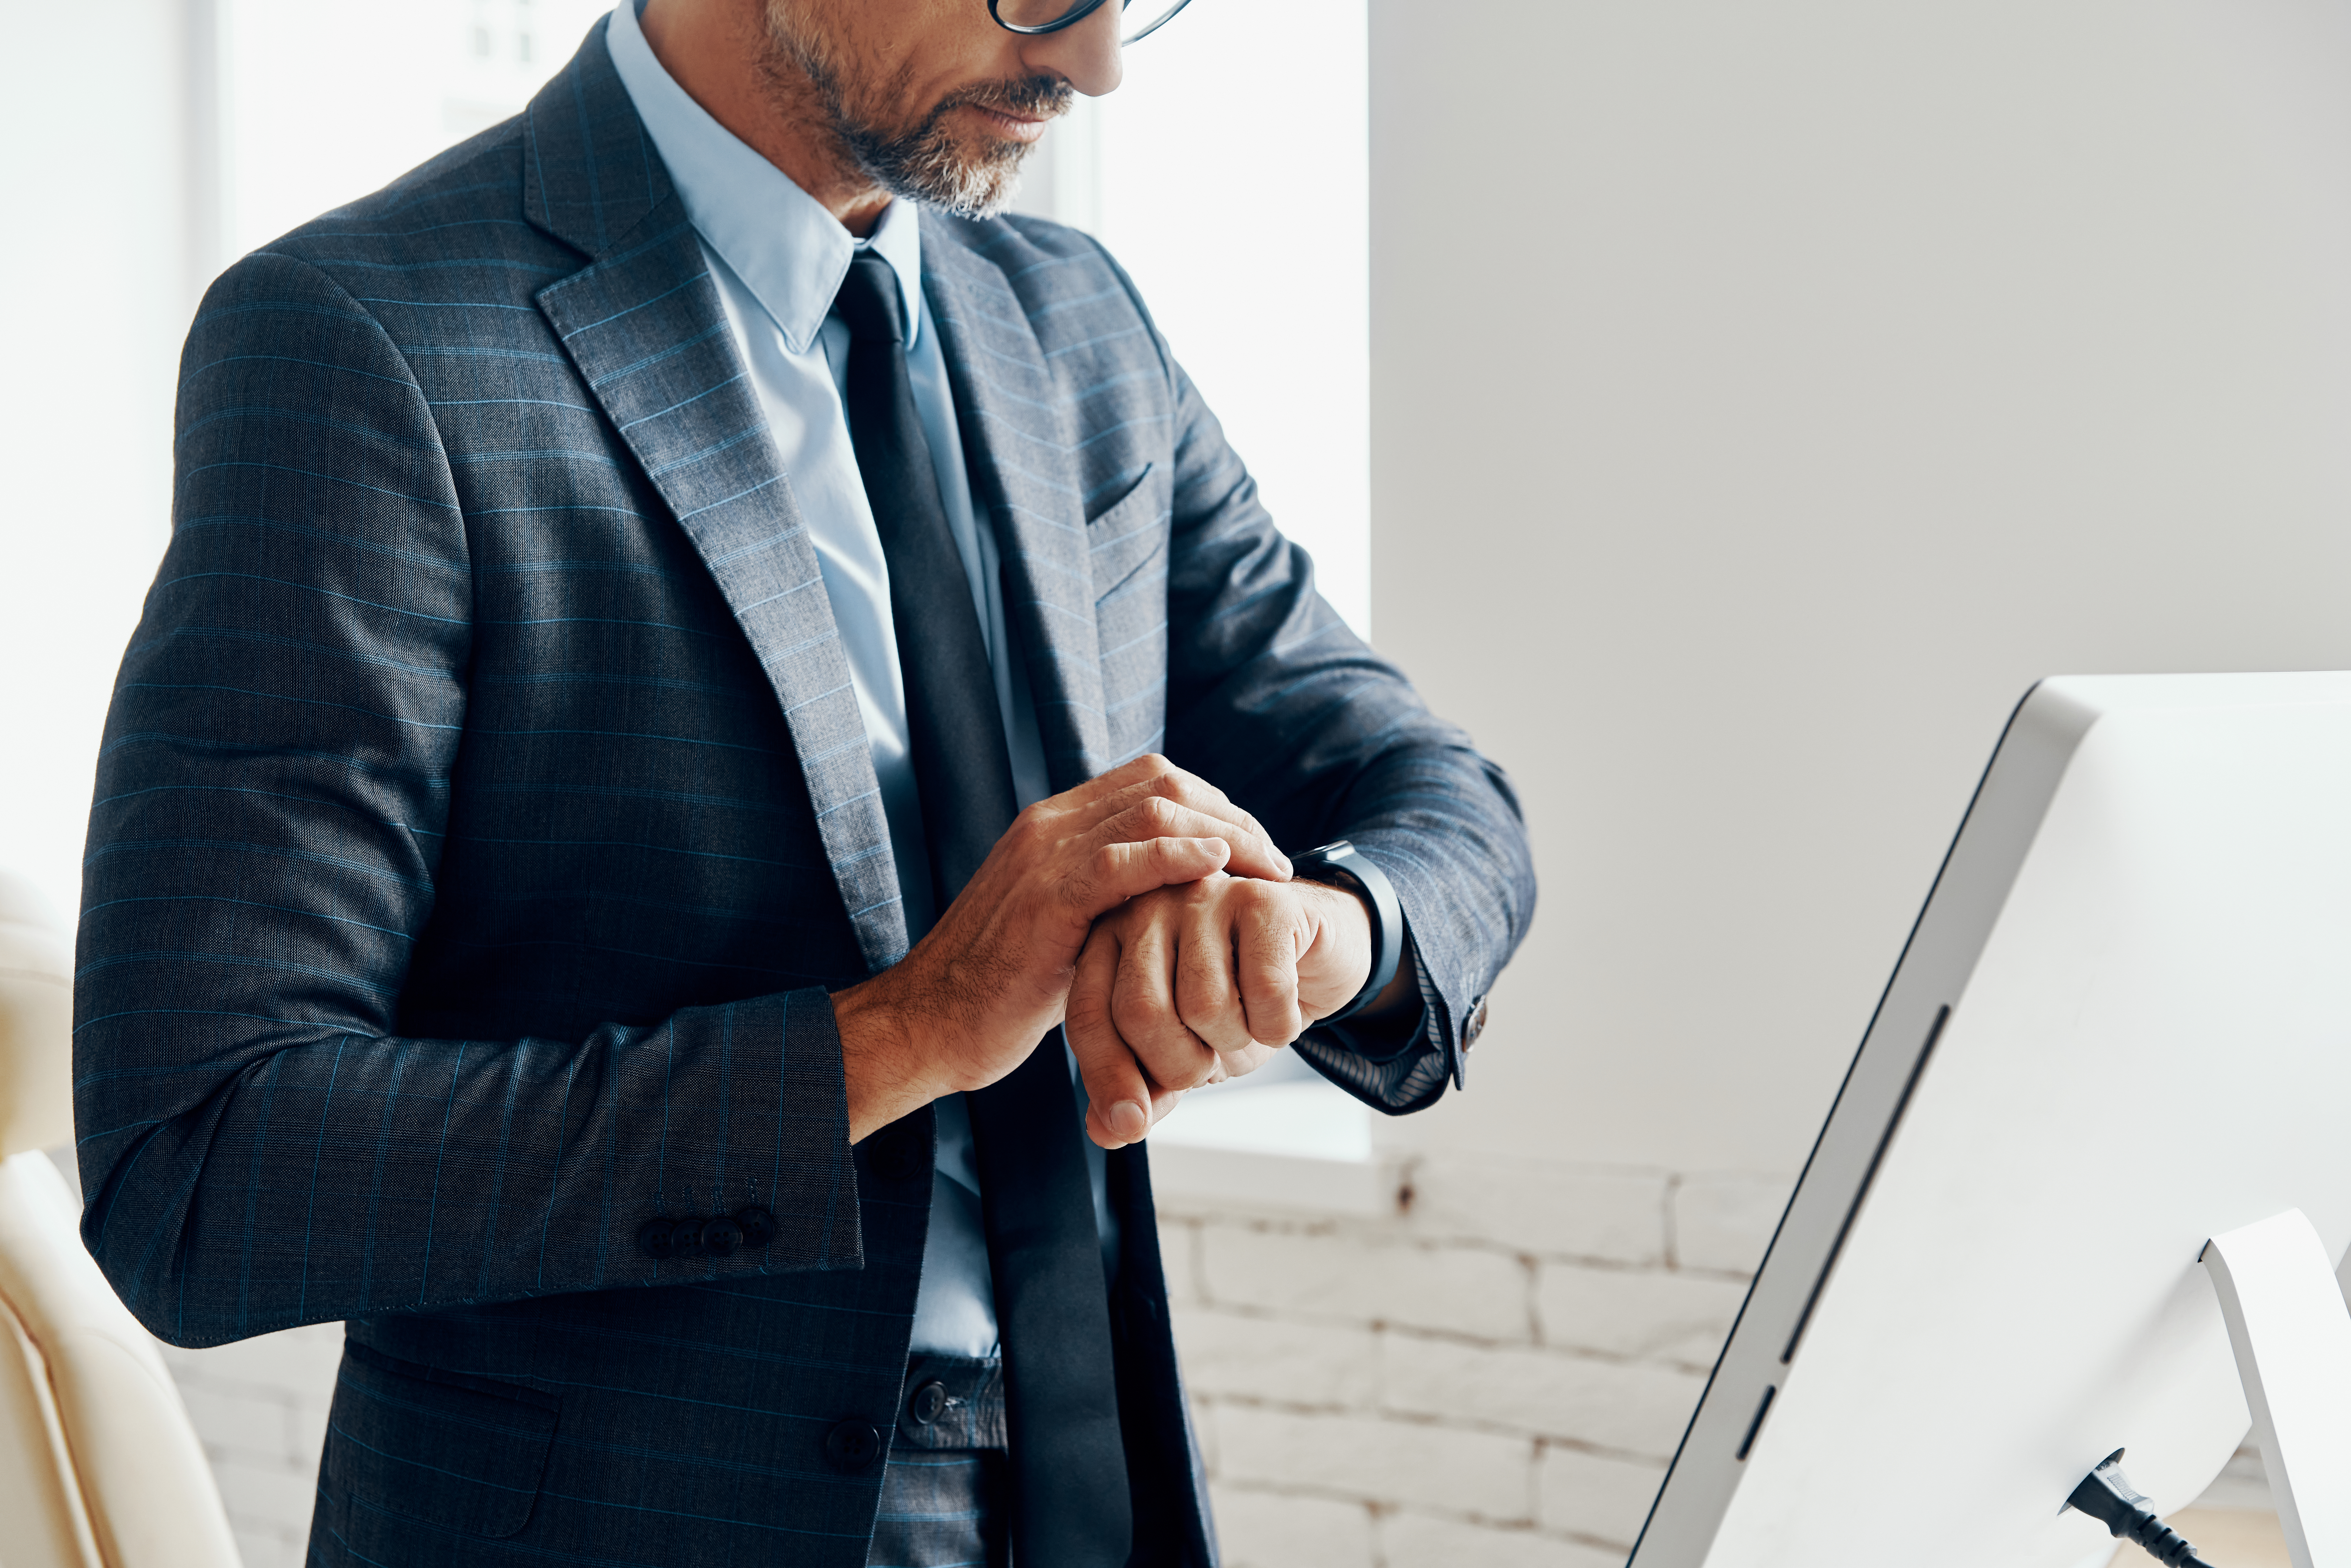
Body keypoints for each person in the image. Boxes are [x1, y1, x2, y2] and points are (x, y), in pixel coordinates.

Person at [72, 0, 1534, 1561]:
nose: (1095, 61)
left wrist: (1306, 934)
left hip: (1079, 1504)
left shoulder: (1077, 327)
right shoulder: (366, 343)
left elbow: (1436, 797)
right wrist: (906, 1029)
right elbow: (206, 1161)